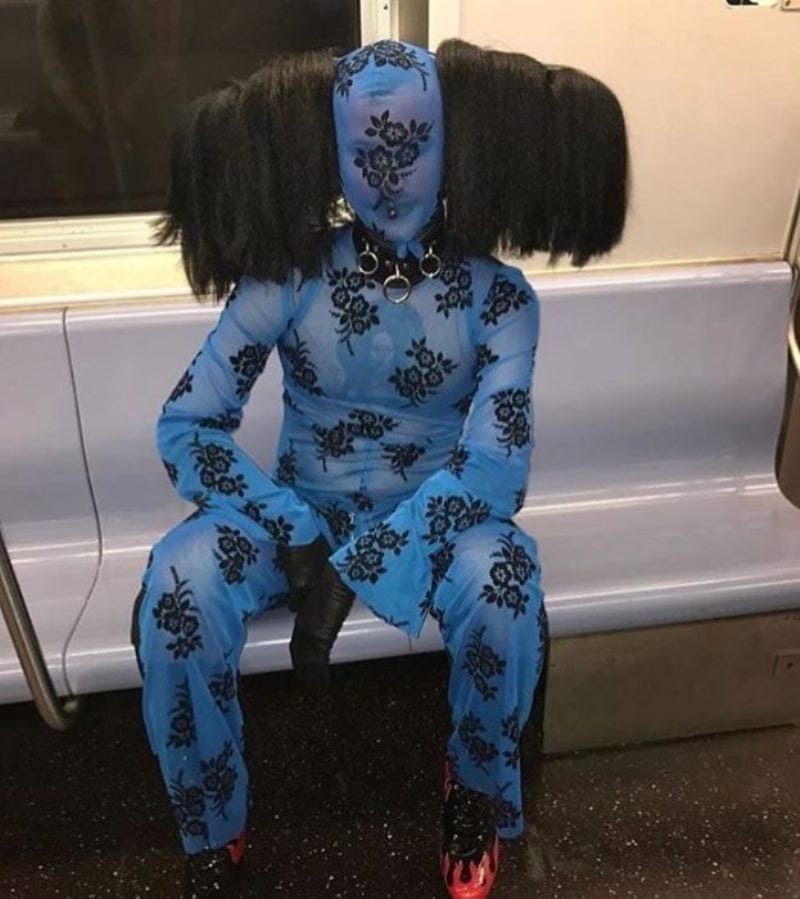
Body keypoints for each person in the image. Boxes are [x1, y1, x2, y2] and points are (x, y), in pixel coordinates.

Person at [130, 38, 629, 898]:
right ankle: (210, 816)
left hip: (435, 516)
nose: (388, 172)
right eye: (366, 148)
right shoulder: (288, 277)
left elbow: (494, 472)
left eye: (409, 144)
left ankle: (474, 788)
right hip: (296, 509)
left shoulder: (499, 299)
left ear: (456, 144)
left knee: (505, 579)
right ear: (329, 148)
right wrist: (293, 529)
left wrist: (363, 559)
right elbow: (187, 424)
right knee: (179, 580)